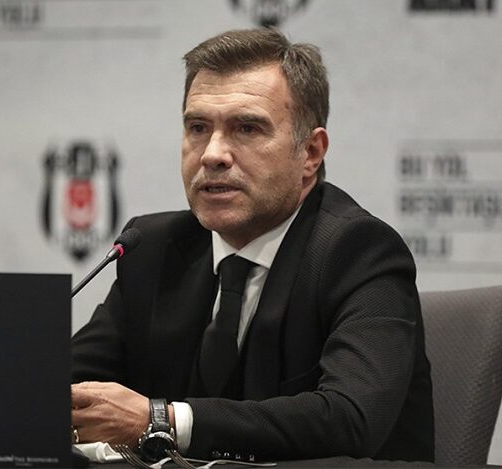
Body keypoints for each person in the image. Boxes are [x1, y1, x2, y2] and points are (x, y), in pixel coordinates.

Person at [70, 28, 434, 463]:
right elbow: (68, 383)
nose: (213, 154)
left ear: (311, 153)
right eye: (198, 127)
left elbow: (350, 419)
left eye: (246, 128)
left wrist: (164, 420)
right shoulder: (154, 248)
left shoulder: (358, 251)